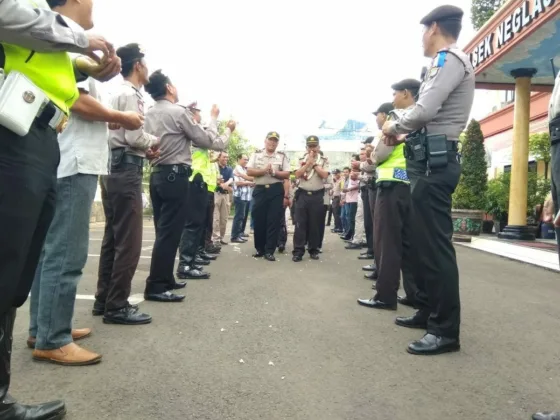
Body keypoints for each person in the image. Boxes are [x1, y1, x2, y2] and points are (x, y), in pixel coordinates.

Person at [0, 0, 119, 417]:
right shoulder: (32, 10)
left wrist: (82, 65)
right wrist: (83, 40)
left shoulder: (44, 25)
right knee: (13, 262)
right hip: (13, 130)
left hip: (39, 134)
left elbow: (40, 58)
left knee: (17, 269)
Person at [382, 5, 475, 355]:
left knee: (435, 248)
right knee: (422, 246)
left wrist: (393, 126)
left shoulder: (447, 59)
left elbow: (425, 110)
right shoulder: (445, 62)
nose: (422, 38)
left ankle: (445, 330)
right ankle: (428, 310)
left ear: (433, 27)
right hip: (426, 162)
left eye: (423, 31)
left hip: (435, 166)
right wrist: (404, 133)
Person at [93, 43, 160, 324]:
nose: (147, 69)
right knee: (129, 241)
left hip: (111, 167)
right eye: (145, 64)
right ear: (138, 66)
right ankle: (117, 305)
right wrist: (153, 143)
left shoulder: (116, 93)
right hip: (126, 169)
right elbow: (134, 137)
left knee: (113, 237)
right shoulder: (131, 95)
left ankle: (103, 299)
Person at [358, 79, 421, 312]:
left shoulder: (398, 118)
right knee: (409, 244)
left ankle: (385, 296)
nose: (393, 99)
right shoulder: (423, 115)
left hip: (391, 185)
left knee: (388, 243)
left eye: (395, 94)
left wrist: (373, 157)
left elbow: (381, 153)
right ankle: (415, 294)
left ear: (405, 94)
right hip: (412, 185)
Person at [247, 132, 291, 261]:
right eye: (270, 140)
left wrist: (274, 172)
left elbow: (287, 174)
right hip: (260, 190)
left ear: (277, 143)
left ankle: (269, 251)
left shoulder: (282, 157)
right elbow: (249, 171)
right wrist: (263, 171)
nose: (272, 143)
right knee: (259, 219)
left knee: (273, 221)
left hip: (275, 190)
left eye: (275, 141)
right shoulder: (256, 155)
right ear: (265, 141)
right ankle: (260, 249)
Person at [292, 136, 329, 261]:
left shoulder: (323, 160)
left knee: (315, 224)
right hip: (302, 194)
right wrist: (307, 163)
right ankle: (298, 251)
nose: (312, 149)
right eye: (310, 146)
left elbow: (324, 175)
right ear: (306, 147)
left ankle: (313, 250)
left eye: (314, 146)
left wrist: (314, 165)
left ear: (318, 147)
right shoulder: (301, 159)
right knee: (300, 224)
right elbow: (297, 174)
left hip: (317, 195)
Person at [231, 154, 254, 243]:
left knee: (243, 216)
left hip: (247, 196)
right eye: (244, 159)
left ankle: (240, 233)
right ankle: (234, 236)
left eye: (247, 160)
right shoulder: (236, 170)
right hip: (239, 196)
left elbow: (252, 179)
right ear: (238, 159)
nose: (246, 161)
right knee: (239, 216)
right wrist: (249, 183)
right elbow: (237, 183)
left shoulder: (245, 170)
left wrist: (248, 181)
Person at [212, 153, 234, 244]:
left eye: (227, 157)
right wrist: (220, 184)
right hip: (215, 194)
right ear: (219, 157)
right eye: (224, 157)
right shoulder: (214, 167)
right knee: (215, 218)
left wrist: (226, 184)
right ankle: (215, 239)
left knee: (224, 218)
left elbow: (231, 179)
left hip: (225, 195)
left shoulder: (229, 169)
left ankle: (221, 238)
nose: (226, 158)